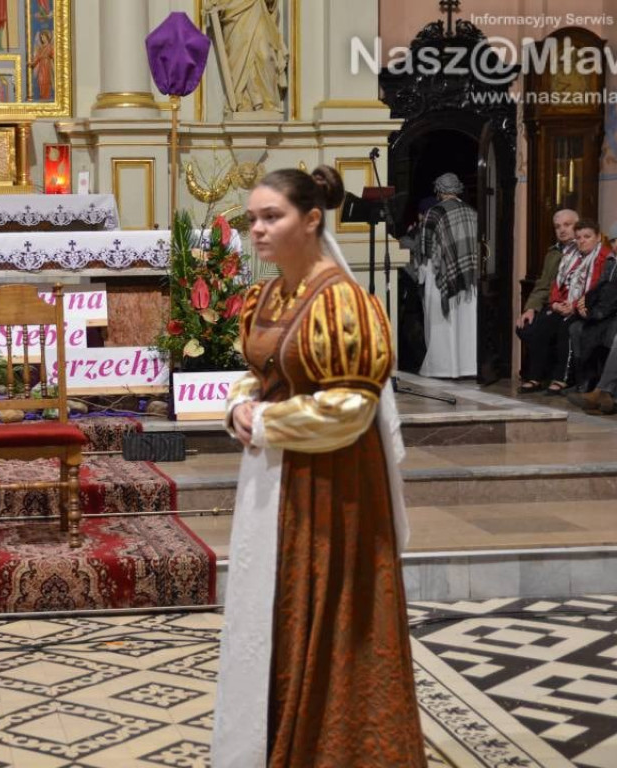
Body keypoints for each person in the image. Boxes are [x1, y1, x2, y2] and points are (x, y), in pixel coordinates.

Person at [213, 166, 425, 767]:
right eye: (252, 218)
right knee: (269, 611)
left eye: (271, 217)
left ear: (311, 220)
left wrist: (266, 421)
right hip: (274, 478)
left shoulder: (343, 301)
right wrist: (238, 407)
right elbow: (258, 375)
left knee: (325, 612)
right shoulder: (269, 294)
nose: (257, 229)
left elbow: (352, 406)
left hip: (333, 487)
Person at [521, 220, 608, 395]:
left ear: (598, 237)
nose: (582, 241)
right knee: (542, 324)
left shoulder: (603, 257)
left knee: (565, 327)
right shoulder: (571, 255)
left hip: (586, 307)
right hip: (564, 304)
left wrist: (574, 306)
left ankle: (561, 378)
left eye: (587, 237)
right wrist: (555, 303)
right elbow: (557, 283)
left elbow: (596, 289)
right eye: (579, 237)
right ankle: (536, 377)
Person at [414, 172, 478, 378]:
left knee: (442, 324)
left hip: (439, 274)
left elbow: (425, 247)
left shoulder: (434, 212)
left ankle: (442, 368)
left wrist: (420, 274)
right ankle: (468, 366)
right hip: (468, 279)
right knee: (466, 324)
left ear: (439, 190)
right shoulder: (472, 212)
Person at [515, 209, 579, 393]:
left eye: (567, 225)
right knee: (525, 327)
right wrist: (531, 308)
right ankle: (540, 375)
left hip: (571, 304)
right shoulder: (553, 253)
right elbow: (543, 285)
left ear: (577, 225)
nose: (562, 230)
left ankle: (547, 376)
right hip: (553, 303)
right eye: (557, 227)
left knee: (550, 326)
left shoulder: (582, 249)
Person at [206, 0, 288, 112]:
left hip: (257, 8)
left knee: (266, 56)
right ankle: (244, 102)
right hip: (233, 14)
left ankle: (269, 101)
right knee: (240, 60)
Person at [567, 235, 617, 391]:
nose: (615, 244)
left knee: (606, 333)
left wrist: (595, 312)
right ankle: (583, 381)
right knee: (576, 328)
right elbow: (599, 286)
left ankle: (601, 388)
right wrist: (585, 302)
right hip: (605, 308)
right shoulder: (611, 260)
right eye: (613, 241)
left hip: (610, 311)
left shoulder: (605, 257)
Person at [28, 30, 54, 101]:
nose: (42, 39)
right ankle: (42, 97)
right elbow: (37, 58)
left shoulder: (50, 47)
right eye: (41, 37)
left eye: (44, 37)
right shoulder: (40, 48)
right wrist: (32, 63)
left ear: (47, 37)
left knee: (46, 82)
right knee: (40, 81)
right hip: (41, 67)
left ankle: (46, 97)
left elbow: (54, 56)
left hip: (47, 66)